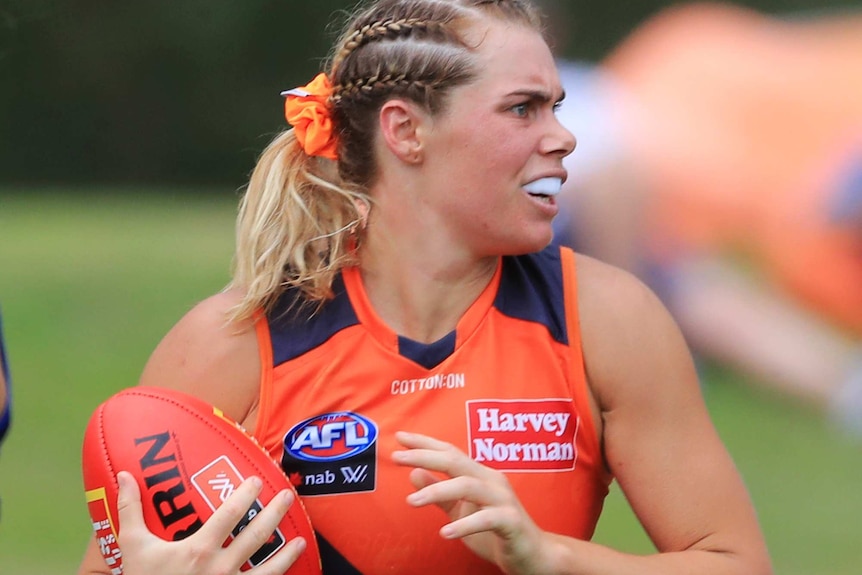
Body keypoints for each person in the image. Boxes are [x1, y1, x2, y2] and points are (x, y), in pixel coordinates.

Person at [79, 1, 772, 574]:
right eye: (524, 109)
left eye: (557, 107)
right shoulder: (234, 343)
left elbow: (734, 561)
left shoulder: (606, 318)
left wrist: (548, 556)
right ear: (406, 131)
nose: (564, 138)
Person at [548, 2, 862, 435]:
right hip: (552, 255)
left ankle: (846, 389)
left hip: (604, 251)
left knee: (706, 293)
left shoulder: (582, 95)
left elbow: (623, 173)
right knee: (691, 289)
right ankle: (629, 347)